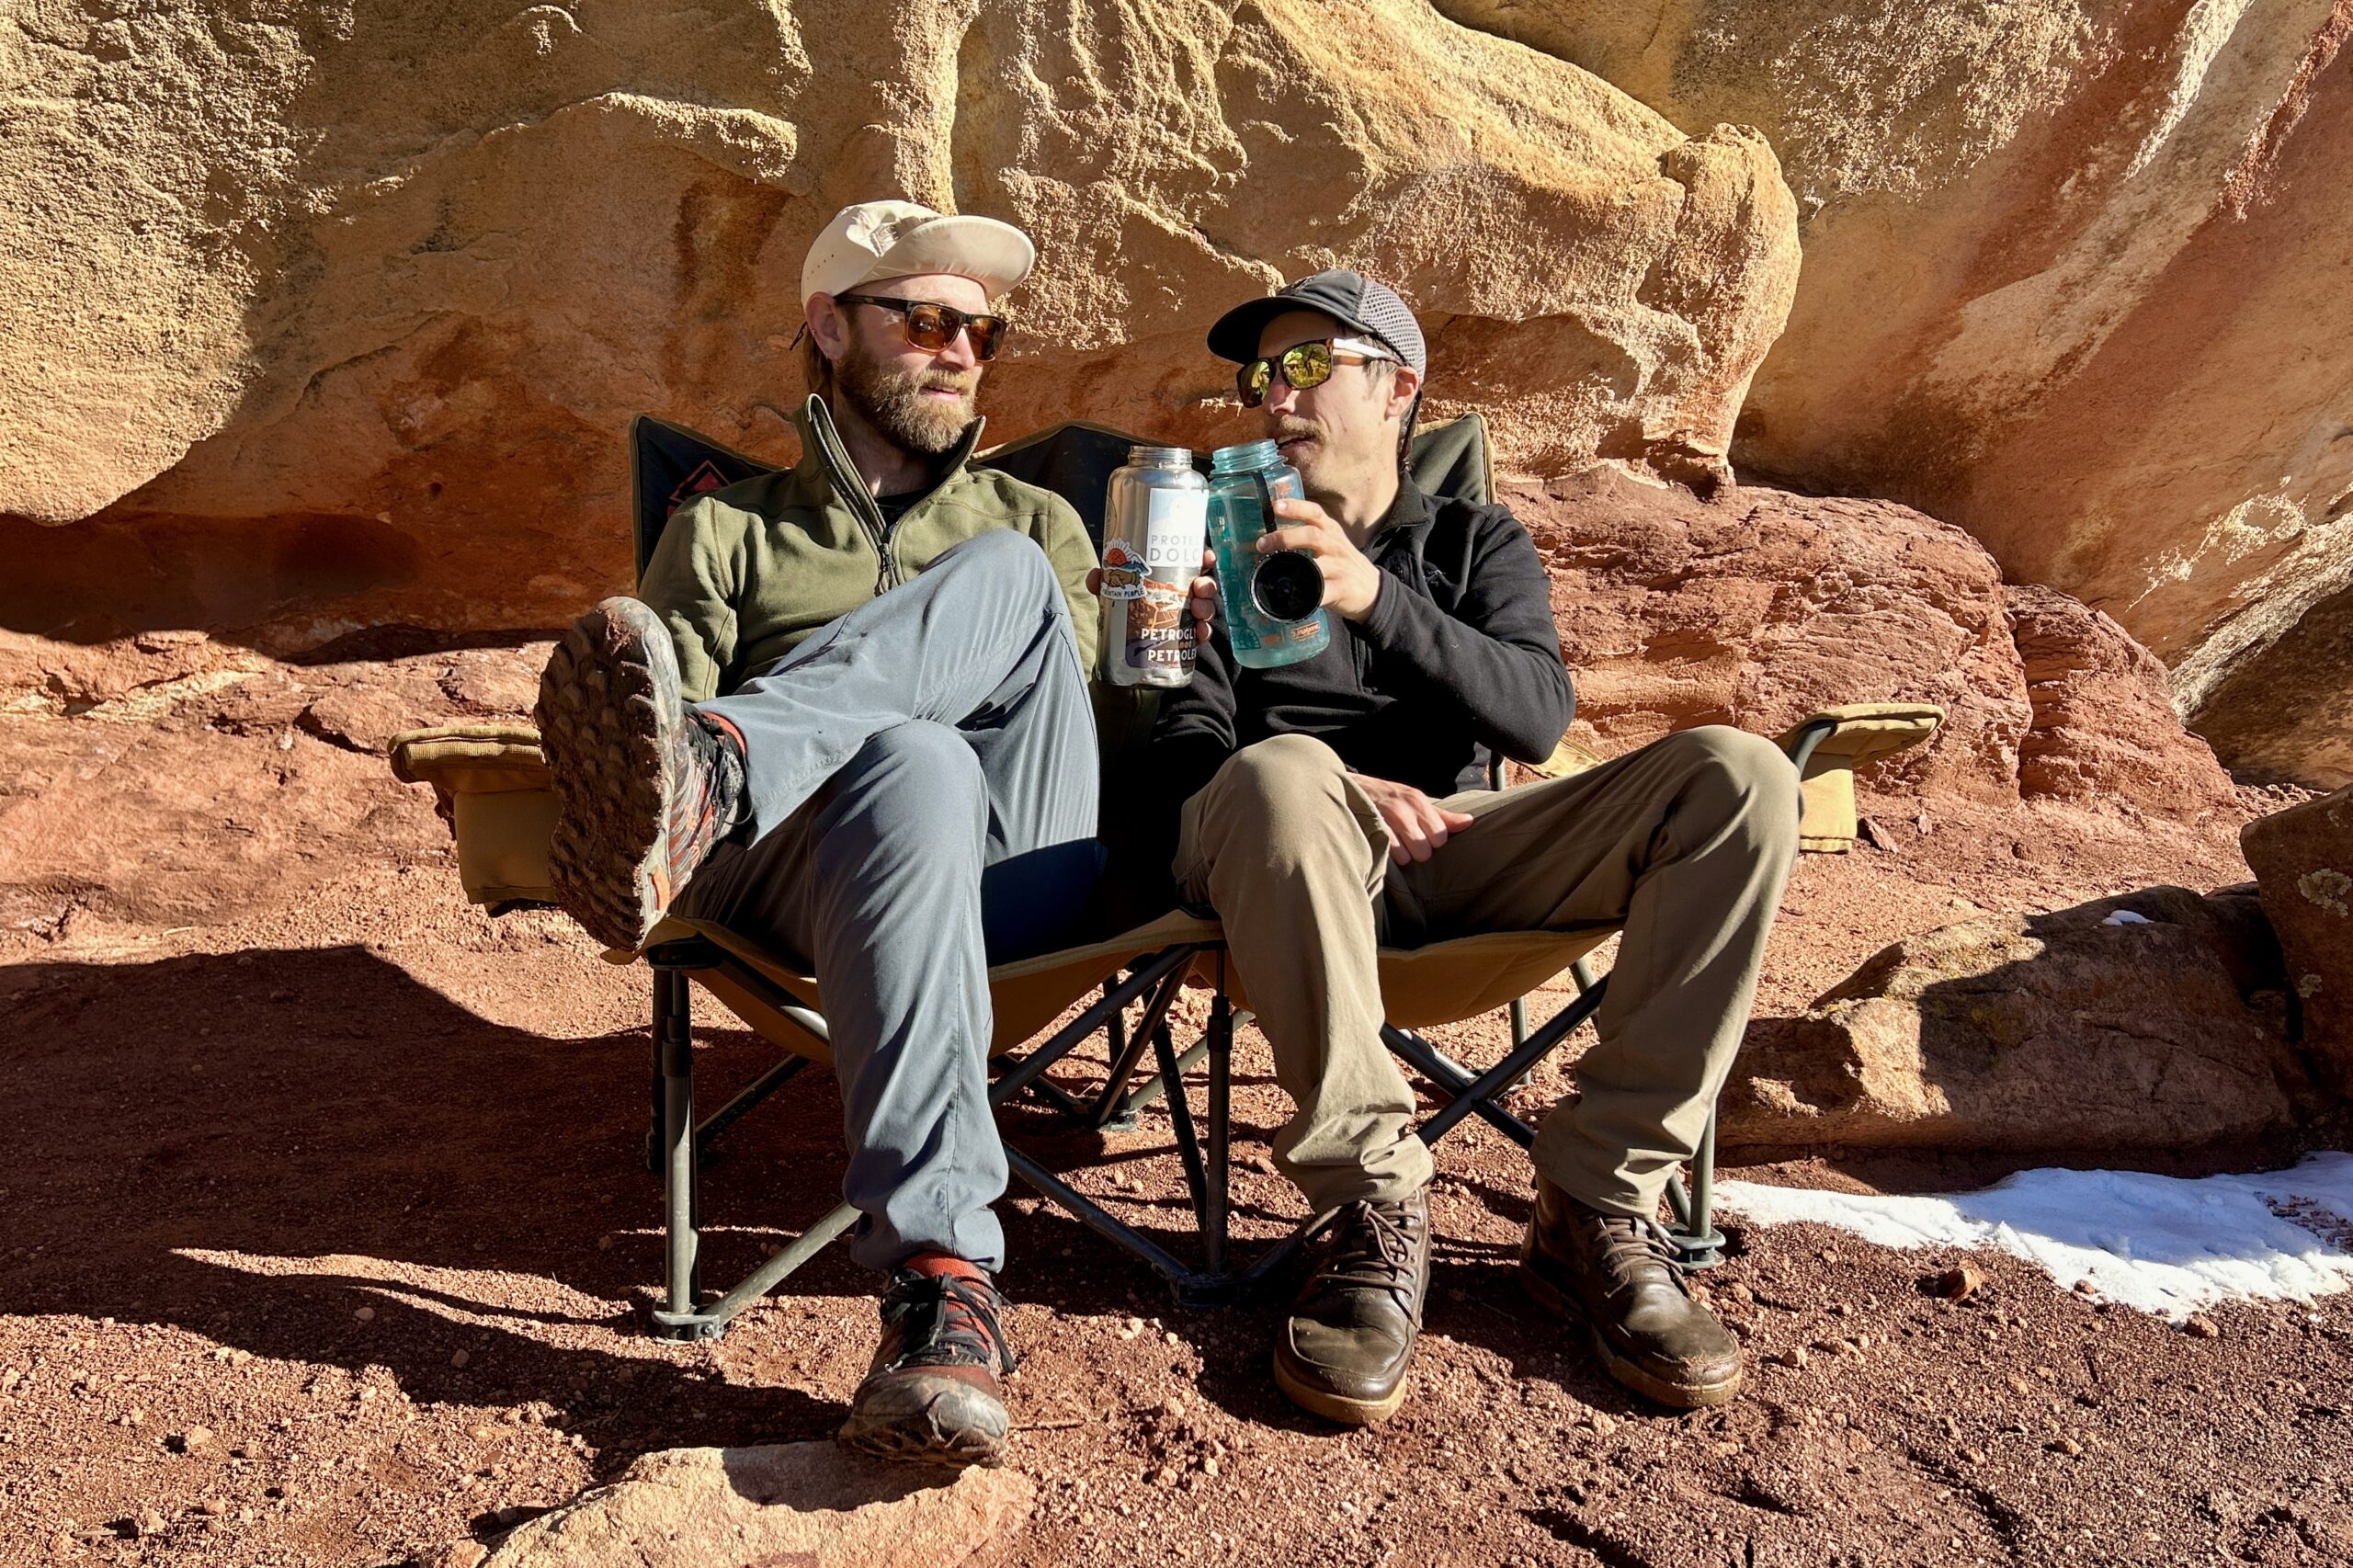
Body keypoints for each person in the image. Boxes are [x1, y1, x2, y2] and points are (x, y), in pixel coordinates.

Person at [1153, 270, 1799, 1421]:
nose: (1274, 397)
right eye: (1262, 375)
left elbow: (1536, 715)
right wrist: (1331, 778)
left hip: (1460, 850)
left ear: (1398, 387)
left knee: (1738, 773)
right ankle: (1369, 1203)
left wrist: (1371, 600)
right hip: (1276, 858)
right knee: (1281, 770)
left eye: (1309, 366)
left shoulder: (1470, 536)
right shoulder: (1213, 541)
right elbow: (1183, 748)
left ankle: (1596, 1203)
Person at [534, 200, 1103, 1468]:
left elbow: (1098, 704)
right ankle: (944, 1288)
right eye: (925, 318)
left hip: (1028, 859)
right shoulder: (727, 528)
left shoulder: (1038, 521)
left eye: (981, 330)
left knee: (1002, 588)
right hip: (821, 877)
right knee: (912, 759)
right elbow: (641, 711)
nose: (960, 349)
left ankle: (729, 770)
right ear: (827, 325)